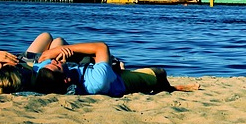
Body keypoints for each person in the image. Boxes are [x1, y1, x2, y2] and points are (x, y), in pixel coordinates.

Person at [33, 41, 199, 96]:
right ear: (66, 80)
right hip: (118, 81)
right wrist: (58, 52)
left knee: (56, 40)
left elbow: (42, 58)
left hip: (93, 67)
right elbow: (101, 47)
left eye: (53, 62)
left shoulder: (45, 74)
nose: (54, 62)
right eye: (57, 66)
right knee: (159, 73)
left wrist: (53, 53)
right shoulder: (95, 82)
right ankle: (172, 88)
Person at [0, 33, 69, 94]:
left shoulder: (10, 82)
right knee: (58, 42)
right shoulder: (14, 82)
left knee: (46, 36)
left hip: (25, 61)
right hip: (35, 66)